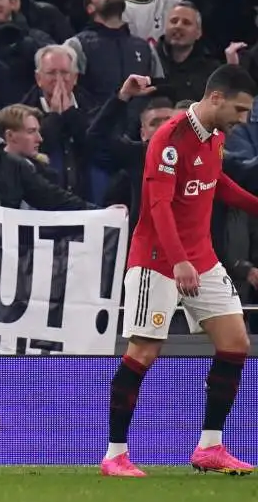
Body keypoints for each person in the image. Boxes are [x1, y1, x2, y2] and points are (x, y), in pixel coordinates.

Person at [103, 65, 258, 477]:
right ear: (216, 98)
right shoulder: (168, 139)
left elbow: (215, 182)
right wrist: (178, 260)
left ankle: (210, 447)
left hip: (201, 257)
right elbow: (158, 206)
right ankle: (115, 454)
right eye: (240, 110)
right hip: (157, 258)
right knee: (144, 351)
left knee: (235, 342)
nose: (244, 120)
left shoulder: (216, 138)